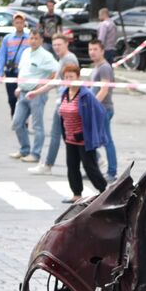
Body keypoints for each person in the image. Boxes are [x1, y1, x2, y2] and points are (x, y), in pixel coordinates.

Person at [54, 60, 109, 203]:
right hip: (70, 138)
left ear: (78, 77)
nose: (69, 80)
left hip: (84, 139)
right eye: (66, 77)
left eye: (71, 77)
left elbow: (100, 112)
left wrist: (88, 133)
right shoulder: (65, 94)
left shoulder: (86, 95)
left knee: (90, 166)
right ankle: (76, 194)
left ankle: (105, 192)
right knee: (72, 166)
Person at [26, 33, 79, 170]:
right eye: (54, 45)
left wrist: (69, 100)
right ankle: (48, 164)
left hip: (66, 102)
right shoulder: (62, 59)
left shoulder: (69, 59)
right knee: (67, 133)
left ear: (66, 44)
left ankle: (48, 165)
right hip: (63, 101)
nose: (56, 47)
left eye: (59, 44)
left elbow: (73, 82)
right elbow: (55, 81)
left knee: (60, 134)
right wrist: (36, 92)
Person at [9, 30, 58, 161]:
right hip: (23, 93)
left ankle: (35, 154)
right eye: (31, 38)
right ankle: (24, 150)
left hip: (37, 94)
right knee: (17, 122)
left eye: (36, 38)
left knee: (37, 125)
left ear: (41, 40)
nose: (33, 41)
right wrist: (19, 87)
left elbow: (56, 71)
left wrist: (42, 85)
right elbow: (23, 72)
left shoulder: (45, 56)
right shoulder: (25, 53)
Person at [87, 38, 117, 180]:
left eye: (95, 49)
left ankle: (112, 172)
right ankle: (93, 169)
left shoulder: (104, 67)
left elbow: (104, 90)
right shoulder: (97, 67)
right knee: (91, 139)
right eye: (90, 49)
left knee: (106, 140)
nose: (92, 52)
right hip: (98, 109)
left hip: (103, 109)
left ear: (102, 51)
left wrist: (92, 106)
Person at [0, 12, 32, 116]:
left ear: (24, 23)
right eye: (17, 22)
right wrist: (0, 72)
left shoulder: (29, 38)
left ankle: (23, 119)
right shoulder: (8, 38)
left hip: (25, 73)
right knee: (12, 98)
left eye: (21, 22)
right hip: (11, 72)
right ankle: (15, 117)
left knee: (24, 97)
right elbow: (2, 55)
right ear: (13, 23)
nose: (19, 24)